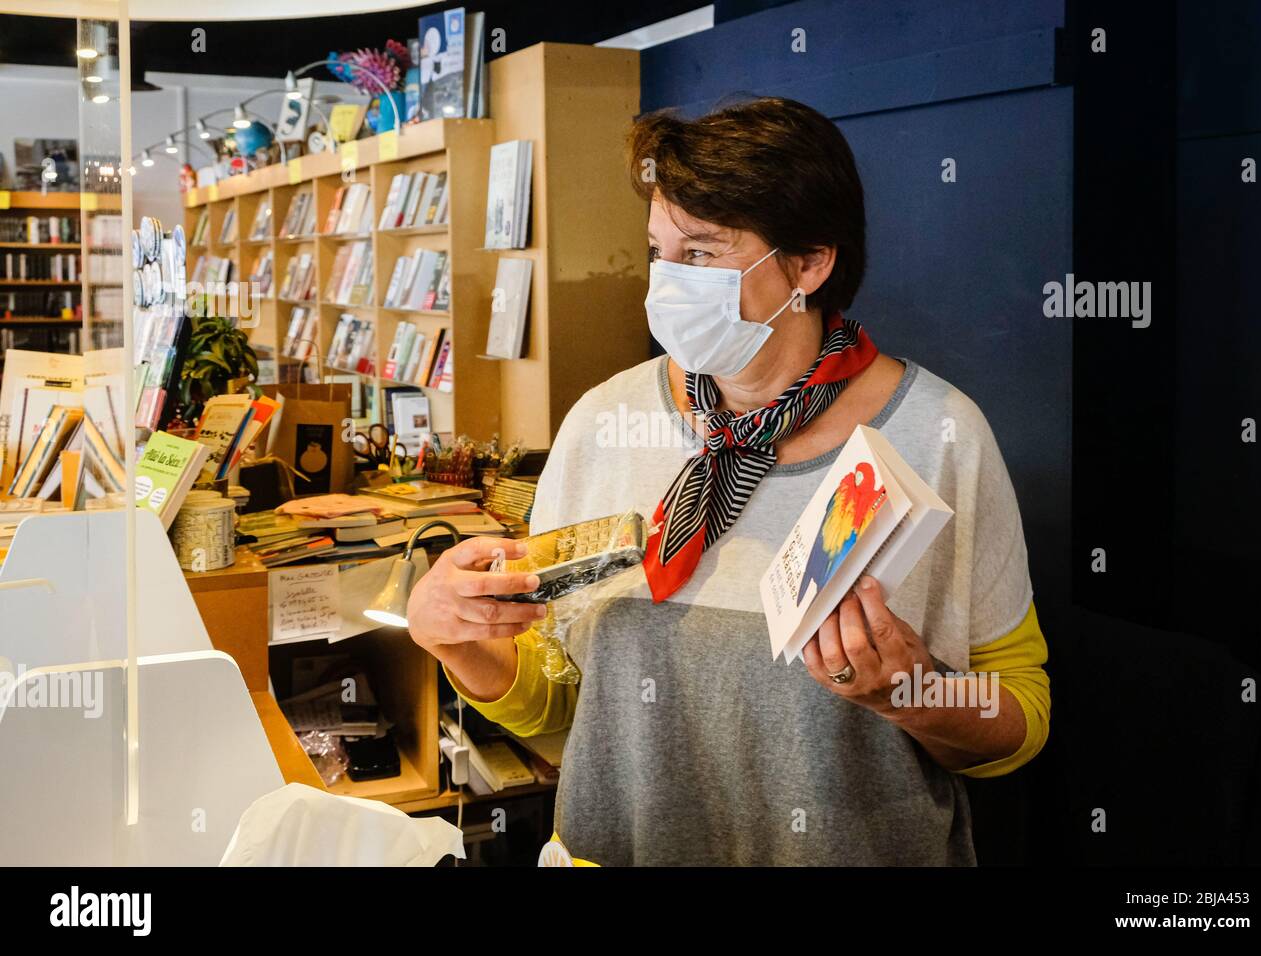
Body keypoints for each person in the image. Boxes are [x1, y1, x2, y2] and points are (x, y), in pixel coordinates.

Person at [406, 97, 1050, 865]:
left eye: (702, 254)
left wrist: (908, 690)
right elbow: (559, 703)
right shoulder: (601, 423)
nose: (667, 284)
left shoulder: (940, 436)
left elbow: (1020, 723)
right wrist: (459, 640)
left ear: (811, 262)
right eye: (657, 252)